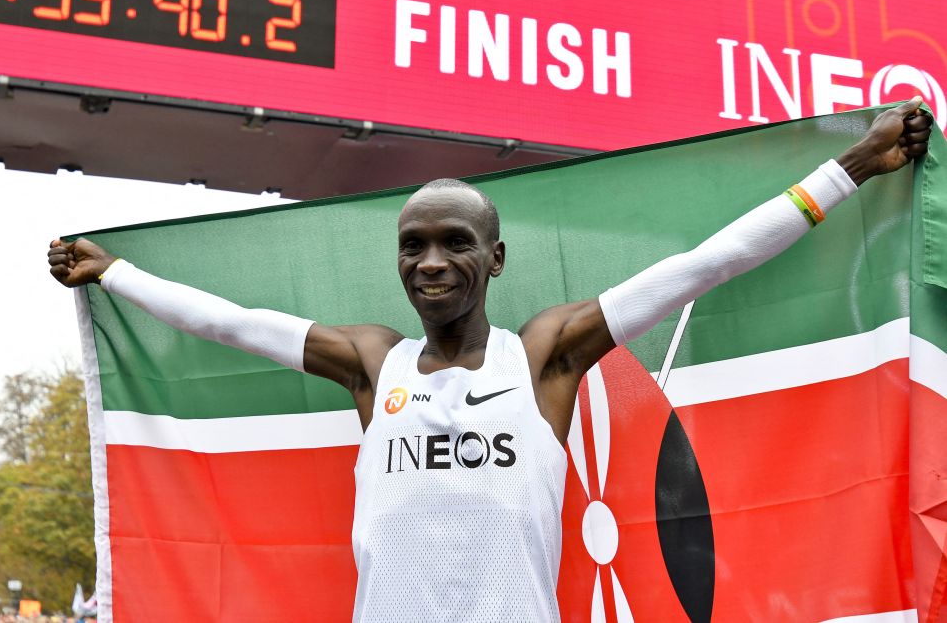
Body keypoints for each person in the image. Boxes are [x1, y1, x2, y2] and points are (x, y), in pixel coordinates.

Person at [49, 98, 932, 622]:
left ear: (495, 259)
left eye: (454, 244)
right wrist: (114, 271)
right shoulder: (372, 363)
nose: (430, 263)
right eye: (413, 248)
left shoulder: (545, 356)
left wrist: (852, 165)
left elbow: (703, 264)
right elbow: (231, 323)